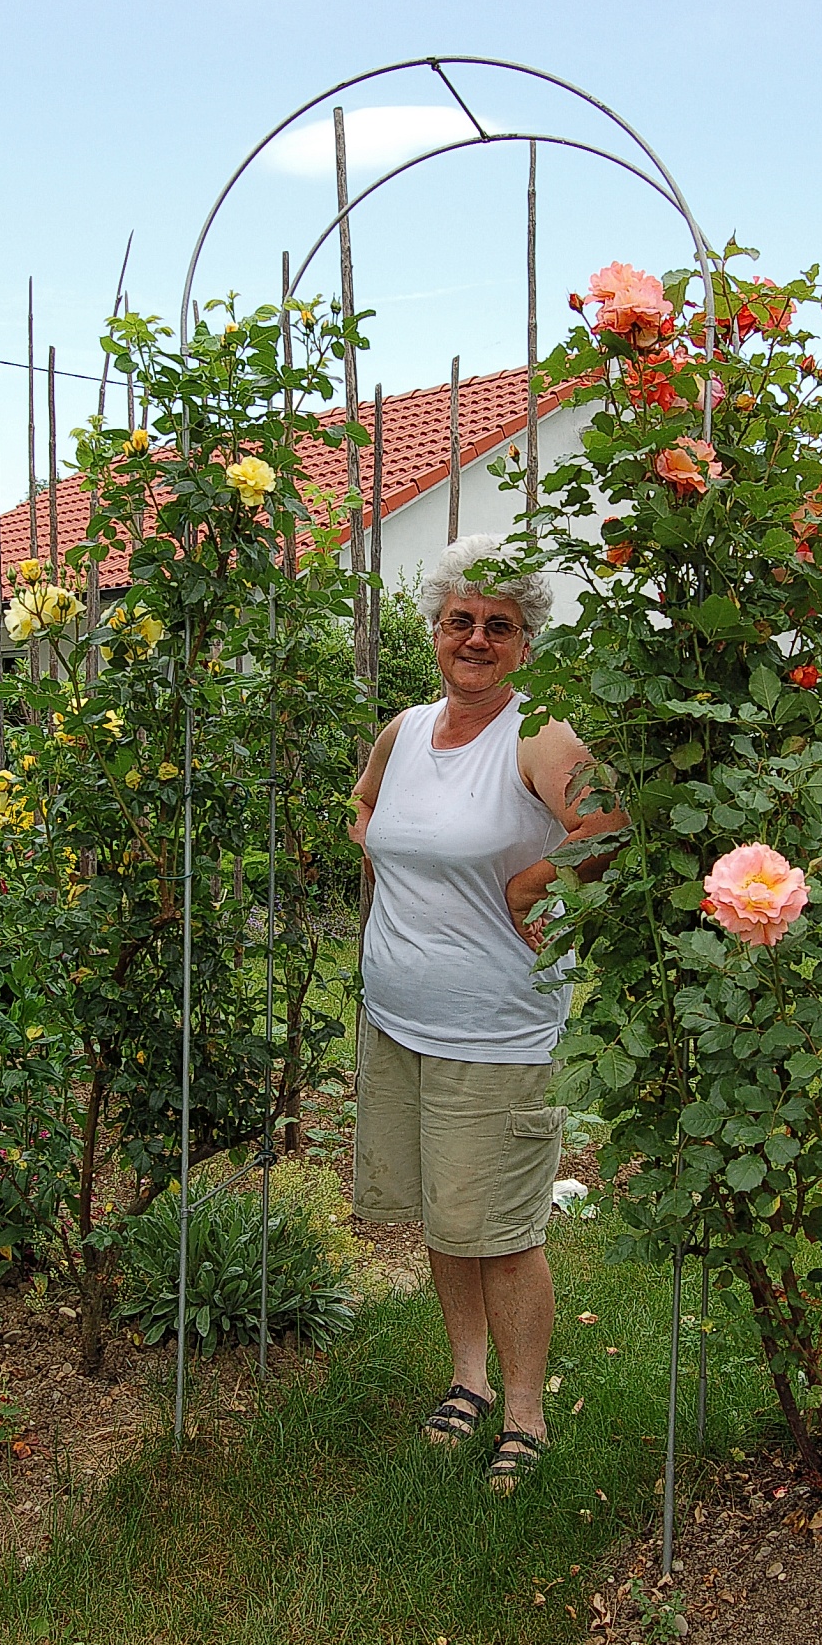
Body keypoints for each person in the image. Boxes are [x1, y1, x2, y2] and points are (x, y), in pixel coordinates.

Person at [349, 534, 628, 1490]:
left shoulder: (540, 736)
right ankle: (465, 1381)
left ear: (523, 643)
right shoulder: (404, 729)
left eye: (497, 627)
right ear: (434, 628)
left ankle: (524, 1411)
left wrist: (531, 888)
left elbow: (612, 826)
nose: (475, 638)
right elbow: (367, 810)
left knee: (502, 1229)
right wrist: (394, 878)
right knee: (442, 1216)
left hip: (495, 1029)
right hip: (396, 1019)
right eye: (460, 621)